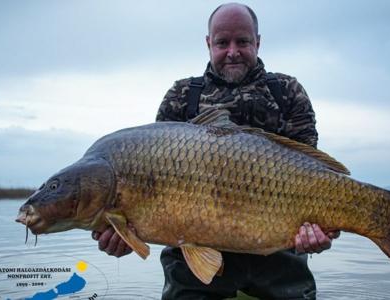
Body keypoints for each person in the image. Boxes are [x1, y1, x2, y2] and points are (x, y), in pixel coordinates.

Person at [92, 3, 340, 299]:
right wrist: (123, 237)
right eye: (222, 42)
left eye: (243, 41)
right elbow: (152, 195)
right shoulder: (182, 97)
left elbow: (311, 176)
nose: (232, 51)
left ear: (257, 42)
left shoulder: (286, 92)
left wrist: (319, 232)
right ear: (209, 44)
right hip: (191, 264)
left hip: (278, 258)